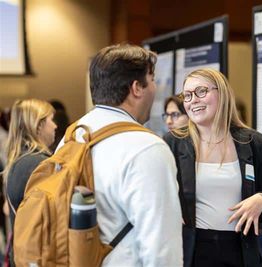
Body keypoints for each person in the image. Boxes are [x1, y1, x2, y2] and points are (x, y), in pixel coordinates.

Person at [58, 44, 182, 266]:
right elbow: (161, 249)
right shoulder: (148, 148)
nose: (155, 87)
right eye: (152, 80)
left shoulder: (72, 136)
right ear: (136, 88)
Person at [164, 68, 262, 267]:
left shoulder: (254, 142)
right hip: (192, 252)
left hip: (241, 251)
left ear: (222, 93)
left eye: (201, 91)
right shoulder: (173, 143)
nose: (193, 100)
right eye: (188, 95)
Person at [3, 99, 57, 266]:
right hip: (39, 258)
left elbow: (7, 209)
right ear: (38, 126)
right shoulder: (38, 165)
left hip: (22, 255)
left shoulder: (18, 161)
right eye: (51, 119)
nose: (55, 125)